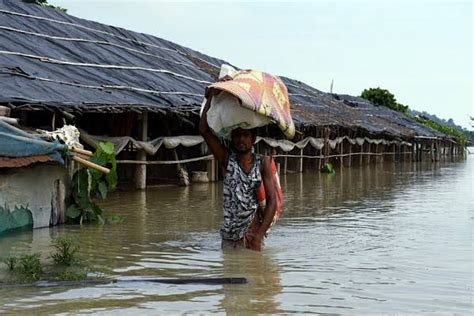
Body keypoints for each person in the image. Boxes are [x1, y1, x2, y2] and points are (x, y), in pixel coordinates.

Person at [199, 89, 277, 251]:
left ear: (253, 139)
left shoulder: (263, 162)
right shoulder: (227, 160)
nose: (241, 139)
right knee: (230, 274)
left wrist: (259, 235)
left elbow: (272, 203)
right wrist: (211, 97)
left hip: (252, 234)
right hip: (229, 236)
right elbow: (204, 131)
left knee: (252, 275)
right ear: (232, 139)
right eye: (237, 135)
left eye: (245, 135)